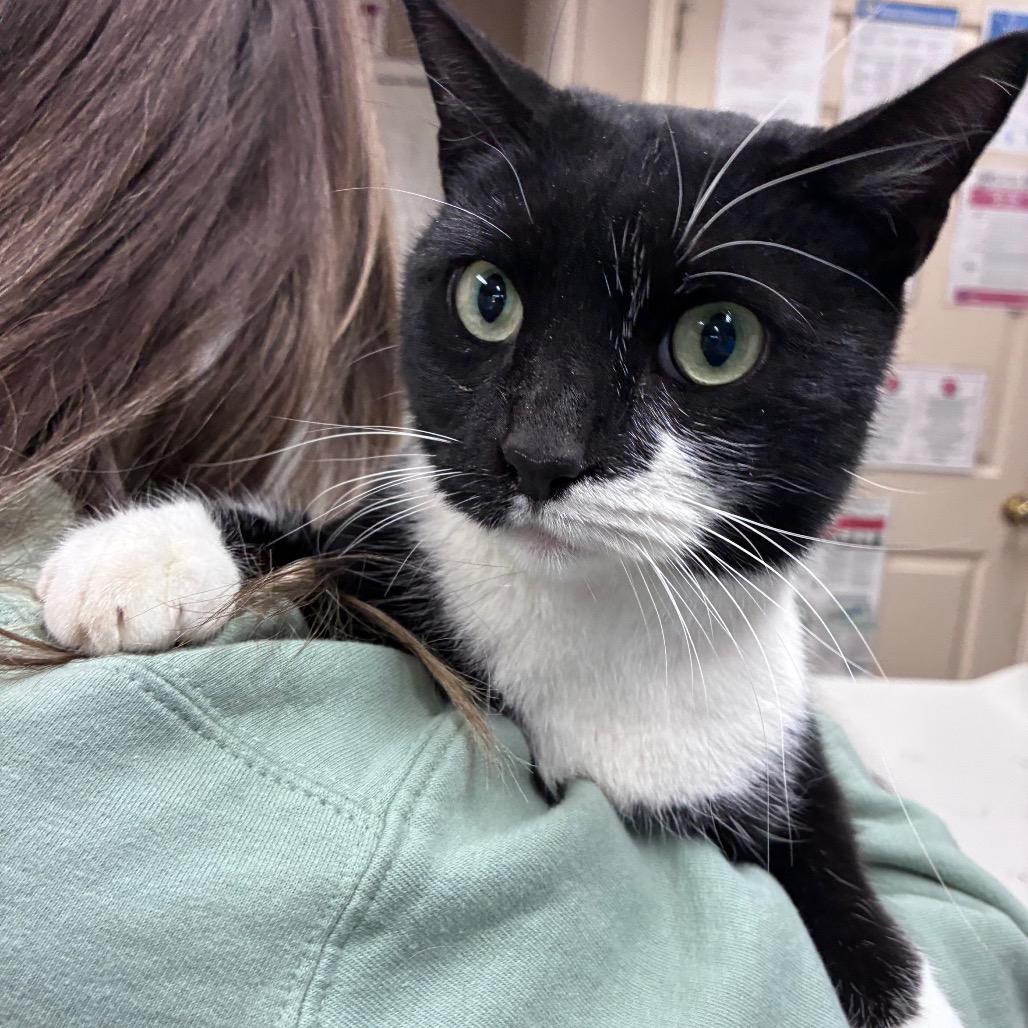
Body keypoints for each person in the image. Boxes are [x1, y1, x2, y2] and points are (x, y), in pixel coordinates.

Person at [1, 1, 1025, 1026]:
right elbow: (328, 568)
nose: (539, 451)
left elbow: (804, 822)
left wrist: (886, 981)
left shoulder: (761, 704)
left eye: (716, 341)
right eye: (489, 301)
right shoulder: (357, 821)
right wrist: (224, 541)